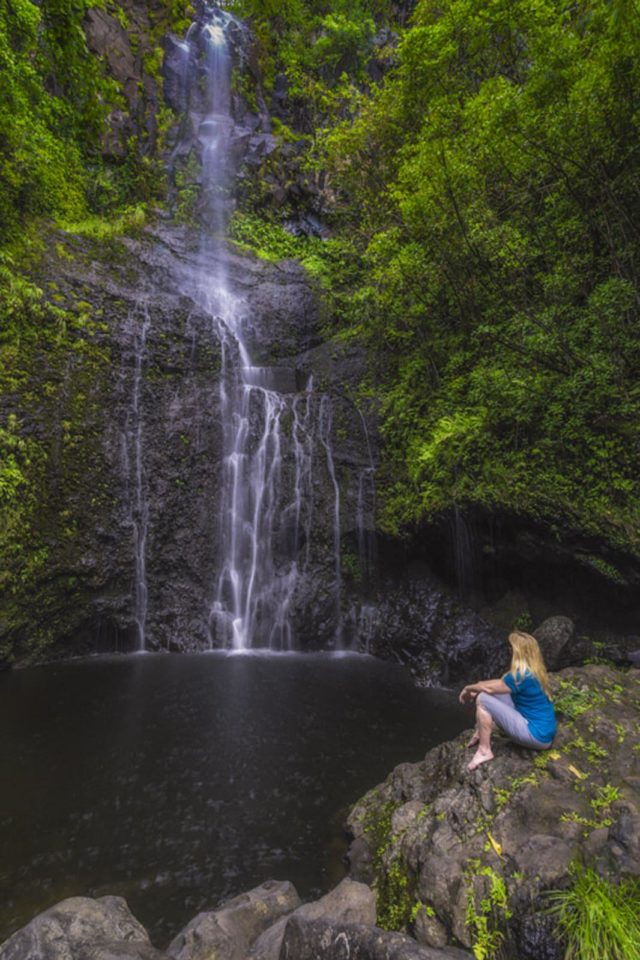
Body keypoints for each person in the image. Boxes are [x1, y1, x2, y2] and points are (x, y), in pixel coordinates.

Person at [459, 630, 557, 772]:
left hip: (536, 735)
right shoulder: (534, 671)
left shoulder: (521, 676)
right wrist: (479, 687)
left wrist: (468, 688)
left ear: (516, 652)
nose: (508, 650)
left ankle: (484, 750)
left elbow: (489, 689)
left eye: (511, 648)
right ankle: (481, 731)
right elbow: (492, 687)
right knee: (488, 693)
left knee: (483, 698)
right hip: (543, 731)